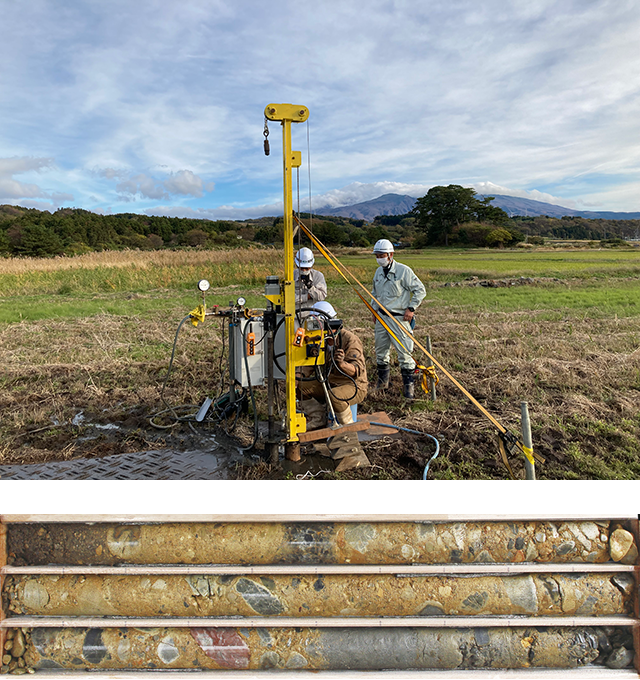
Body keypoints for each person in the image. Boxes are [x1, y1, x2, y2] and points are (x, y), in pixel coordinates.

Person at [370, 239, 426, 399]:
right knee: (380, 351)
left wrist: (411, 308)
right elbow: (374, 293)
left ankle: (409, 389)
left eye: (382, 255)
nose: (379, 258)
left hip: (399, 319)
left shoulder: (404, 271)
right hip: (381, 318)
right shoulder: (378, 272)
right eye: (377, 255)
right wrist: (374, 311)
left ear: (390, 255)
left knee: (405, 354)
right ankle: (382, 383)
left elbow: (420, 290)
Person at [297, 301, 368, 426]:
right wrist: (298, 376)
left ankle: (348, 428)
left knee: (335, 396)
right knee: (299, 387)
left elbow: (356, 371)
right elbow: (309, 363)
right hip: (329, 382)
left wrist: (342, 364)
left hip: (353, 384)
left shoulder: (350, 340)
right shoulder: (319, 339)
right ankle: (318, 419)